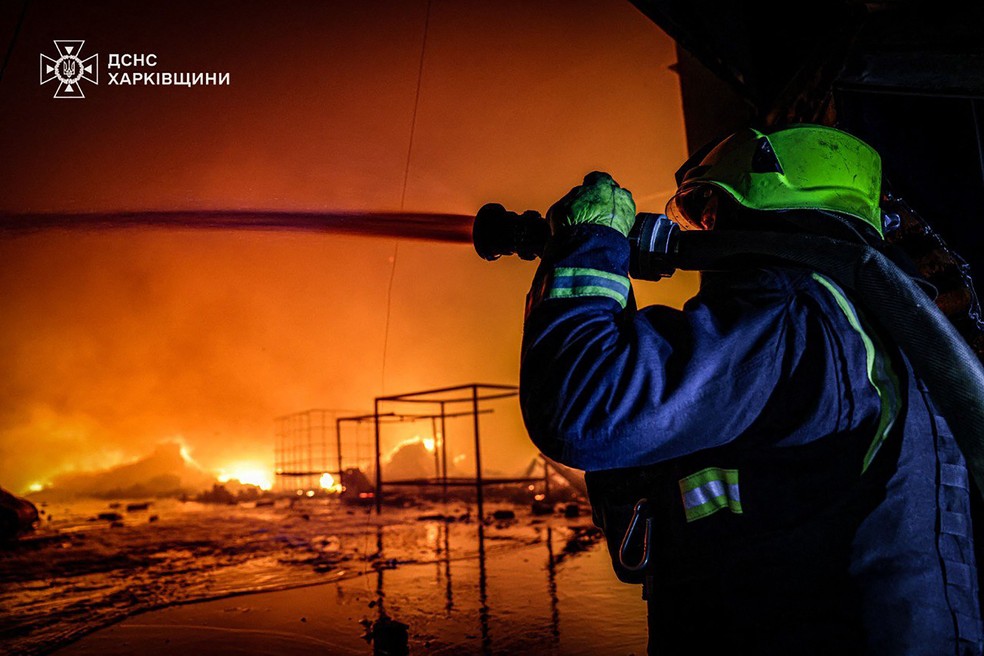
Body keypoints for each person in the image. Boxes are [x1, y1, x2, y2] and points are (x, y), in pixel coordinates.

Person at [518, 123, 983, 655]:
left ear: (764, 207)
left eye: (712, 214)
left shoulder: (788, 312)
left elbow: (582, 408)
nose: (704, 233)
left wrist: (589, 246)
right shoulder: (870, 318)